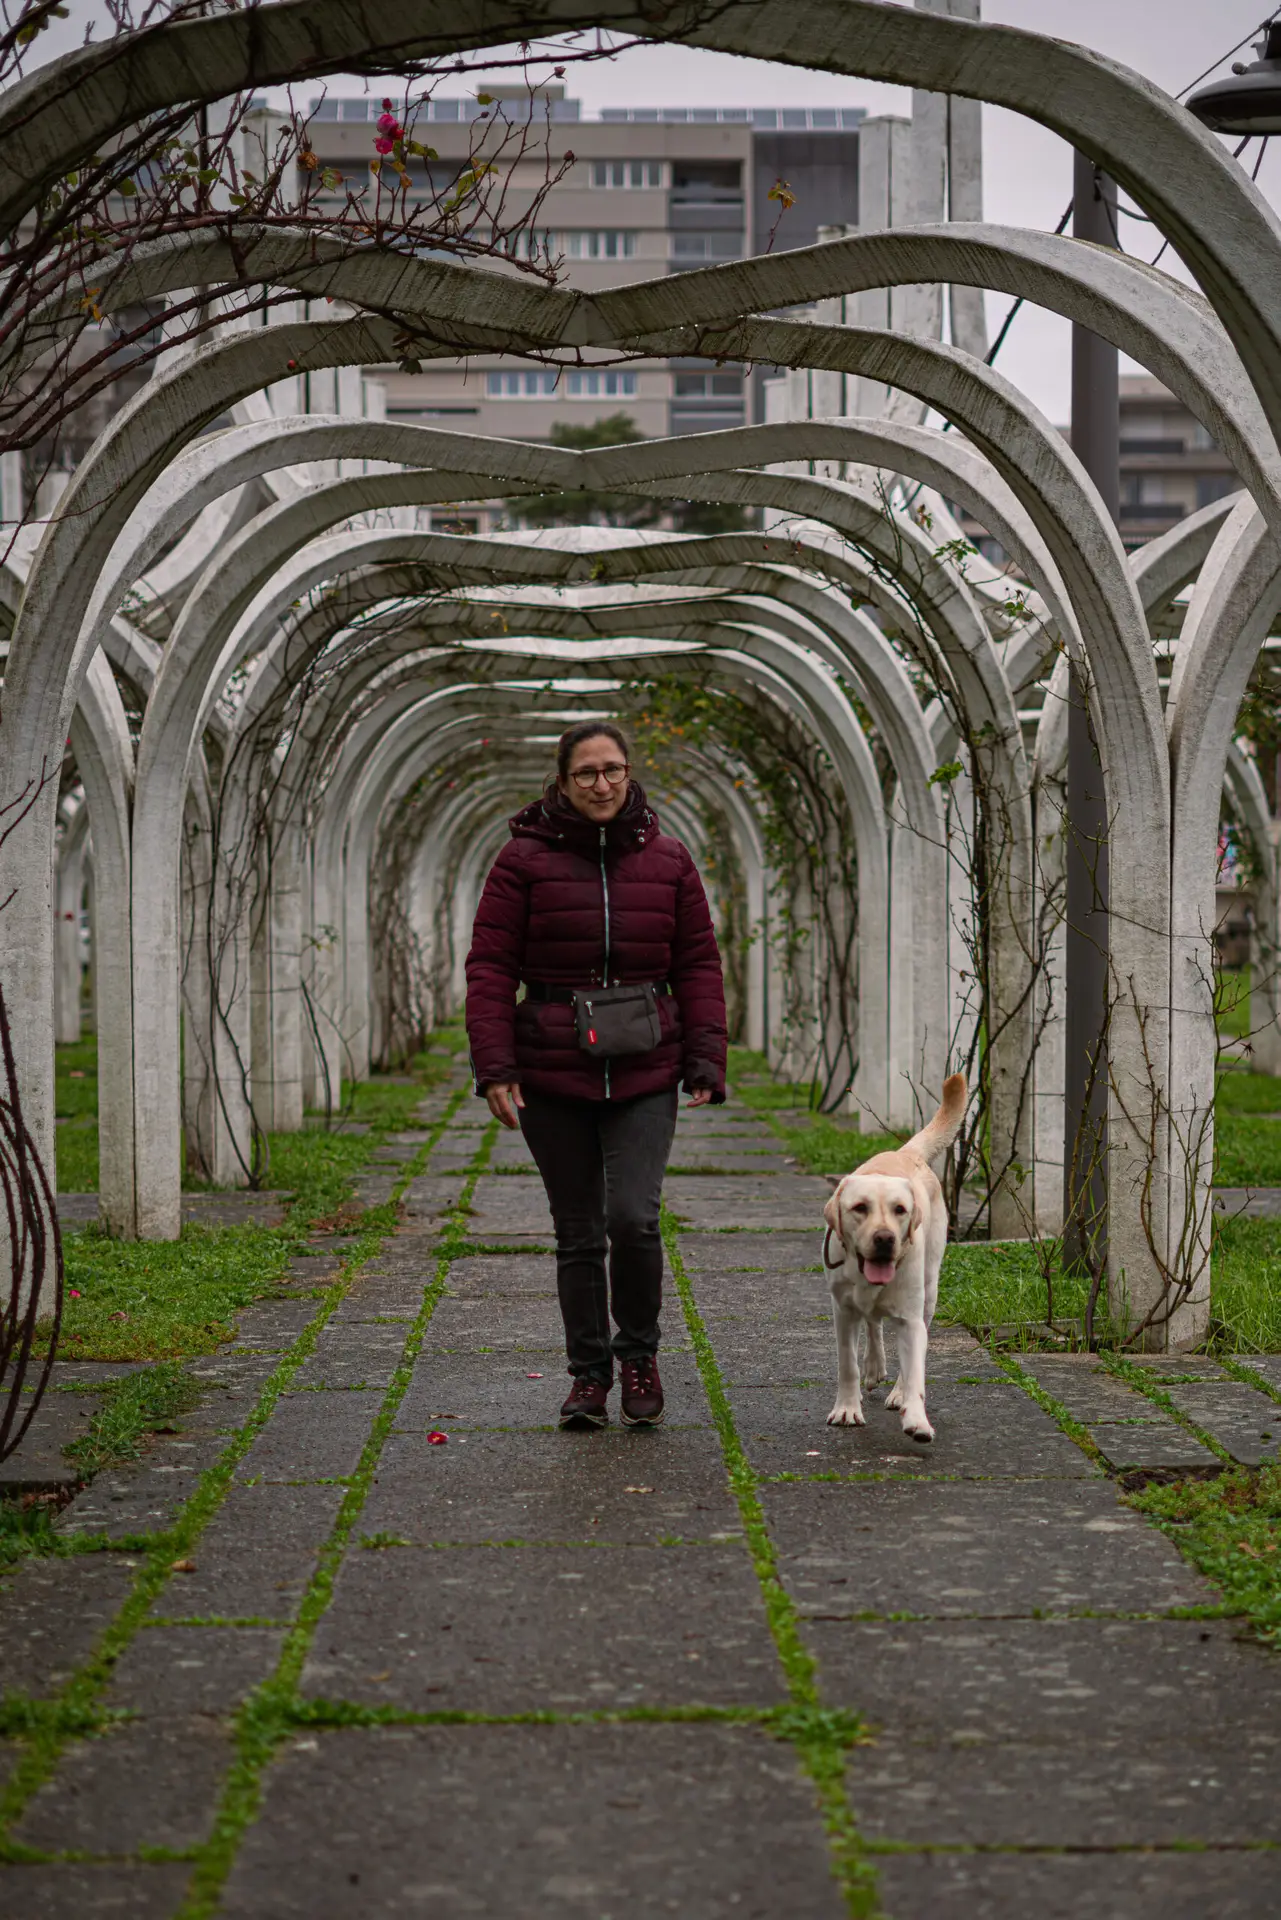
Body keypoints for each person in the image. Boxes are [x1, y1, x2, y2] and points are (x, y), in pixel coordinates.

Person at [465, 721, 728, 1429]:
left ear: (628, 773)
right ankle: (588, 1376)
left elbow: (697, 964)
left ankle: (638, 1352)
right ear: (562, 782)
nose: (602, 784)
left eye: (612, 769)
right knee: (577, 1230)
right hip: (553, 1069)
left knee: (633, 1219)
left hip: (645, 1064)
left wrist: (707, 1056)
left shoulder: (669, 861)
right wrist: (494, 1066)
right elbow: (490, 966)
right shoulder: (522, 861)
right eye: (586, 773)